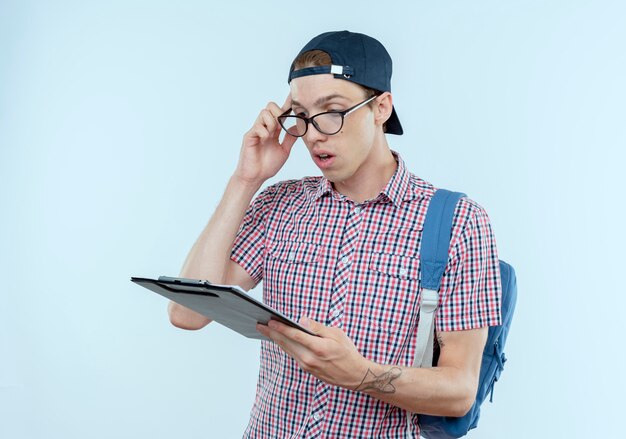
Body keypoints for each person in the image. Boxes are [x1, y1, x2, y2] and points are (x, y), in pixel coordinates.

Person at [168, 30, 502, 438]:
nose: (312, 133)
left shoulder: (458, 223)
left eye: (333, 111)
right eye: (302, 116)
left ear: (381, 107)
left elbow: (460, 391)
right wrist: (245, 179)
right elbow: (186, 313)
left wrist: (360, 374)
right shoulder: (280, 205)